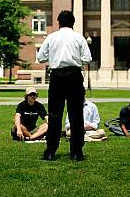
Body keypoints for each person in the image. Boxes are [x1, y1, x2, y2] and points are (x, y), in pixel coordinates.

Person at [37, 10, 91, 161]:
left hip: (57, 76)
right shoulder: (79, 38)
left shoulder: (51, 37)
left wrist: (54, 56)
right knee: (76, 115)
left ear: (59, 22)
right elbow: (87, 58)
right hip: (74, 75)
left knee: (54, 115)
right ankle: (76, 152)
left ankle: (50, 151)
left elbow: (41, 57)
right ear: (73, 23)